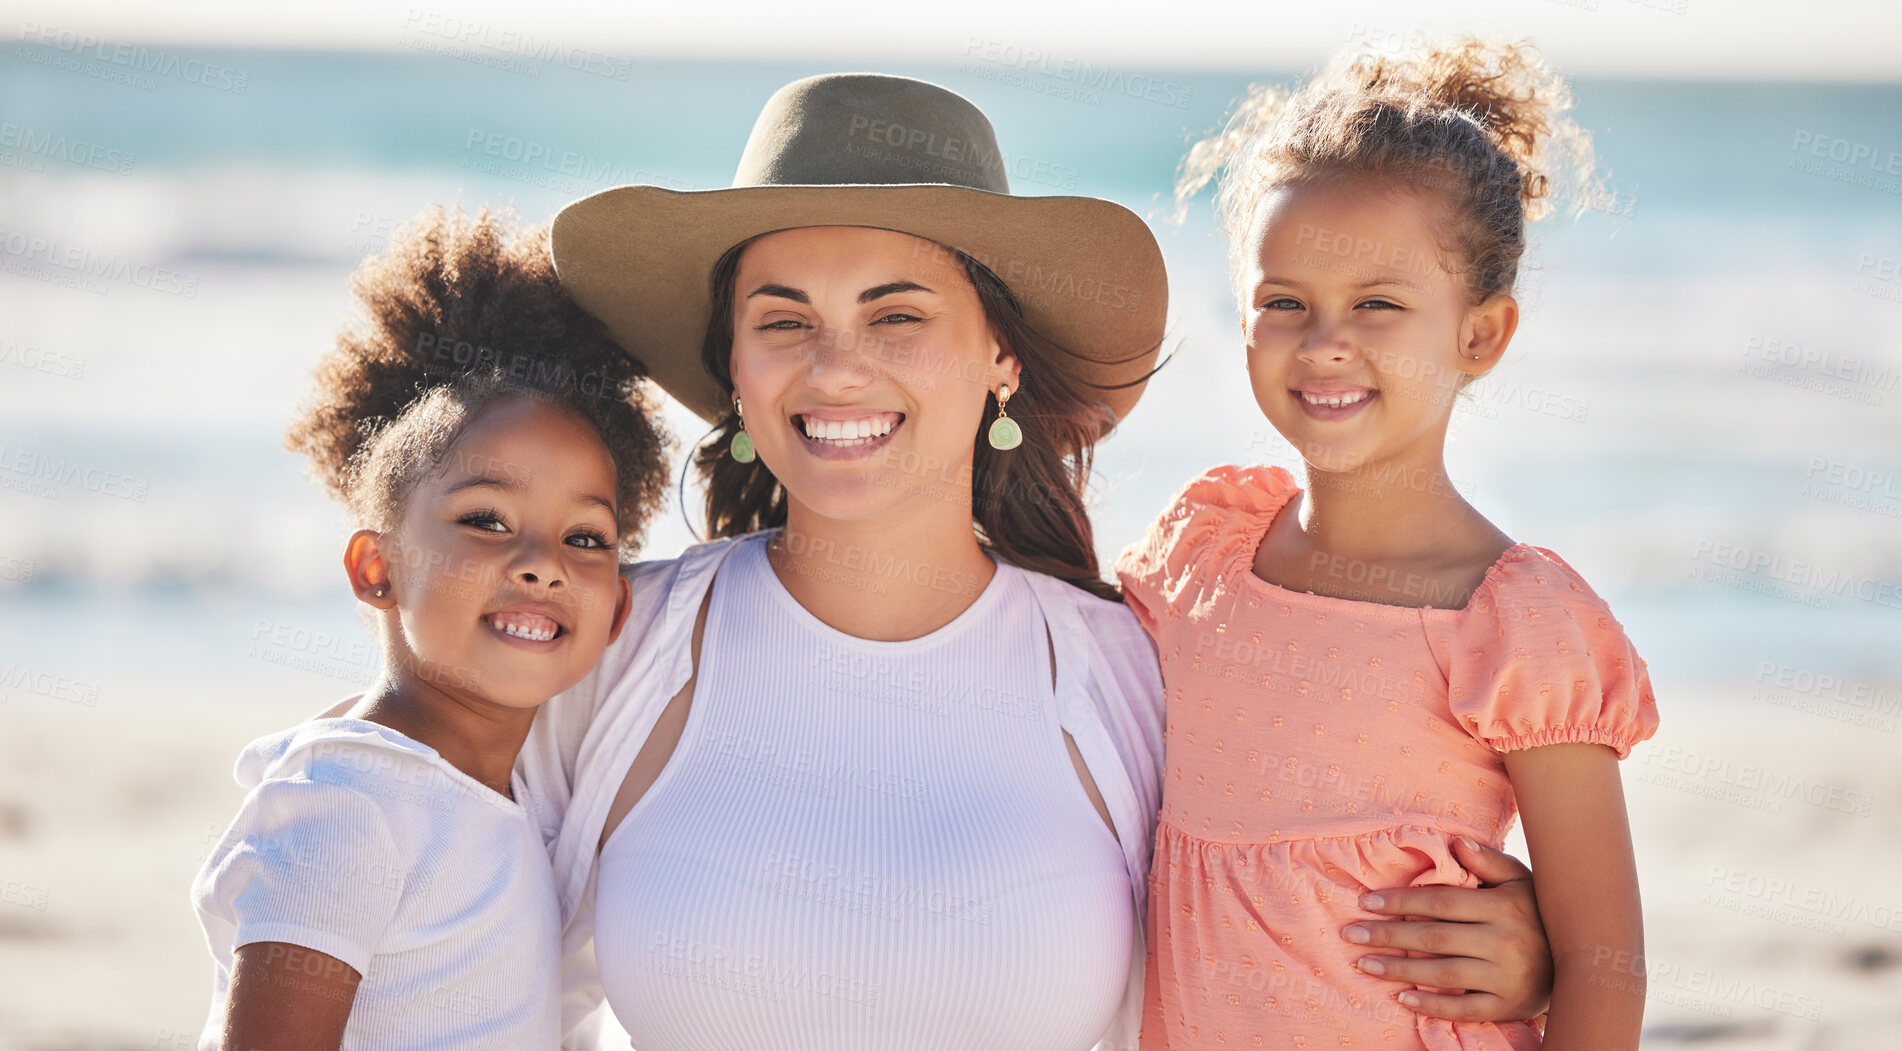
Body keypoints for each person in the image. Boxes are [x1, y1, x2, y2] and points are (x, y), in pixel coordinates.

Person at [522, 73, 1561, 1051]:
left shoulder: (1126, 670)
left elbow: (1281, 907)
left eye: (897, 315)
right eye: (783, 320)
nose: (836, 367)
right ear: (734, 371)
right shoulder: (612, 644)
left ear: (1001, 360)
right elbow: (452, 929)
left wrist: (1520, 951)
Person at [1120, 40, 1659, 1048]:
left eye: (1378, 303)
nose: (1325, 339)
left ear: (1480, 336)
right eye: (1284, 302)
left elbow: (1604, 964)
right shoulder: (1199, 557)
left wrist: (1539, 956)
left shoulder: (1512, 622)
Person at [190, 208, 671, 1050]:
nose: (541, 562)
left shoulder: (525, 808)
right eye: (487, 518)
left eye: (585, 537)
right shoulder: (349, 799)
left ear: (618, 609)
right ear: (377, 568)